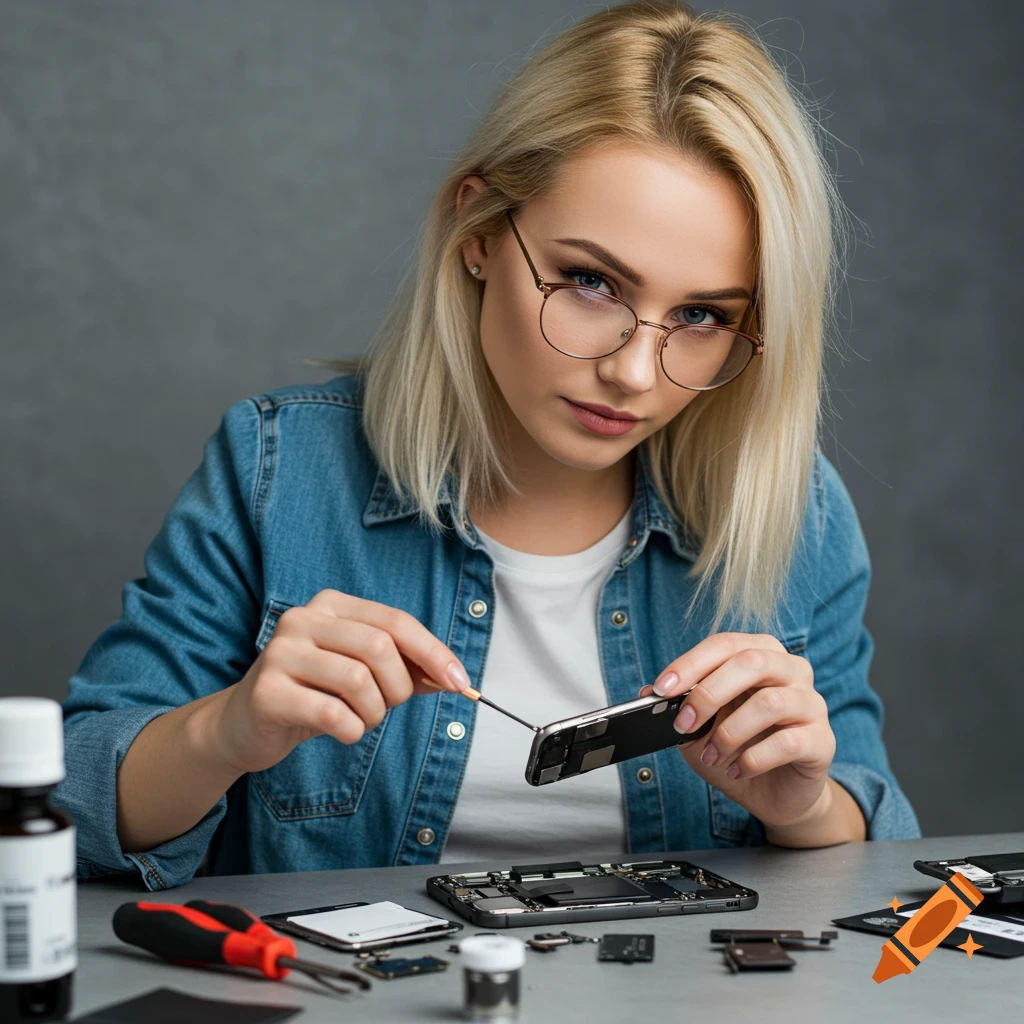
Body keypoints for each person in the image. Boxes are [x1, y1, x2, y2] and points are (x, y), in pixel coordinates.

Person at [54, 0, 920, 891]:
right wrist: (226, 731)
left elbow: (868, 831)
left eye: (702, 315)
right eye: (591, 282)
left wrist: (802, 807)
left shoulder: (793, 511)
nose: (633, 372)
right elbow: (68, 802)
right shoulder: (280, 470)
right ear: (477, 233)